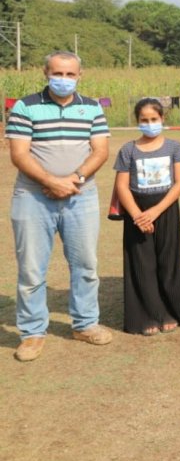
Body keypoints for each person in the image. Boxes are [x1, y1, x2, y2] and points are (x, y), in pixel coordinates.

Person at [6, 51, 112, 362]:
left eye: (70, 74)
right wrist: (52, 181)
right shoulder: (26, 106)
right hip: (33, 197)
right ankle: (32, 332)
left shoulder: (92, 107)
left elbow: (101, 150)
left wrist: (74, 179)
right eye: (57, 73)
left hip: (81, 195)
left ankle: (85, 323)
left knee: (86, 265)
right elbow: (19, 154)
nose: (63, 79)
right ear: (45, 73)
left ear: (80, 75)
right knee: (31, 269)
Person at [113, 98, 180, 336]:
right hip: (137, 212)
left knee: (168, 263)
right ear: (138, 121)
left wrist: (156, 211)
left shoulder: (174, 147)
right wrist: (137, 215)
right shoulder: (128, 150)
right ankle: (146, 315)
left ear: (162, 119)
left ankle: (170, 311)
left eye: (154, 119)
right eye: (144, 120)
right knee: (142, 265)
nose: (149, 124)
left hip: (165, 209)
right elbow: (122, 186)